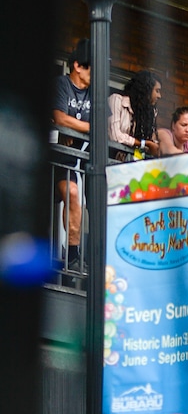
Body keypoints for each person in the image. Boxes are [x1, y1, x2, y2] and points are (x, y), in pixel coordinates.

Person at [53, 39, 91, 271]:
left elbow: (103, 125)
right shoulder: (62, 83)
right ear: (78, 66)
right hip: (53, 155)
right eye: (91, 67)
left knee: (75, 196)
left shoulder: (94, 93)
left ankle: (73, 255)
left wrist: (72, 127)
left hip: (74, 160)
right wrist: (85, 127)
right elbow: (59, 118)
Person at [108, 70, 161, 158]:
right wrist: (143, 143)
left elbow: (150, 143)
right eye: (157, 91)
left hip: (130, 165)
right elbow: (115, 136)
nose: (159, 96)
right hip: (107, 159)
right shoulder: (116, 100)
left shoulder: (150, 113)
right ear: (145, 89)